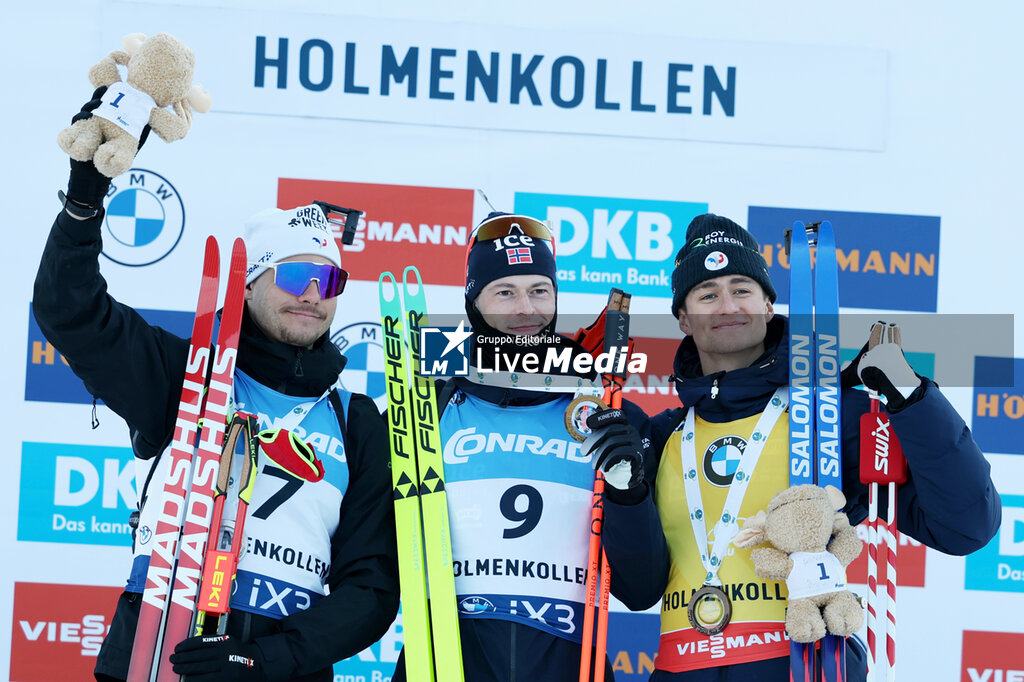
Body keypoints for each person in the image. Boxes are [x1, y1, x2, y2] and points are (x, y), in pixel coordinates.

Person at [33, 97, 399, 682]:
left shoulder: (358, 422)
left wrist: (269, 659)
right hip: (155, 652)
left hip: (281, 668)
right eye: (296, 275)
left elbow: (372, 588)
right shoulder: (189, 376)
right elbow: (70, 310)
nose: (314, 295)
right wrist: (83, 203)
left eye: (329, 279)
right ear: (249, 286)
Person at [601, 213, 1002, 681]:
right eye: (707, 294)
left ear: (769, 306)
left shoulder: (828, 417)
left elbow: (966, 526)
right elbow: (638, 588)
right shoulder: (662, 436)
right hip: (681, 668)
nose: (728, 304)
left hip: (803, 663)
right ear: (684, 318)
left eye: (742, 288)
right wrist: (625, 494)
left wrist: (910, 397)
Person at [390, 212, 666, 682]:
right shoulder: (423, 411)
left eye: (540, 290)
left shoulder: (606, 413)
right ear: (473, 303)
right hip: (441, 667)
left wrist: (628, 491)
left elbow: (641, 590)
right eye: (505, 292)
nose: (525, 309)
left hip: (573, 667)